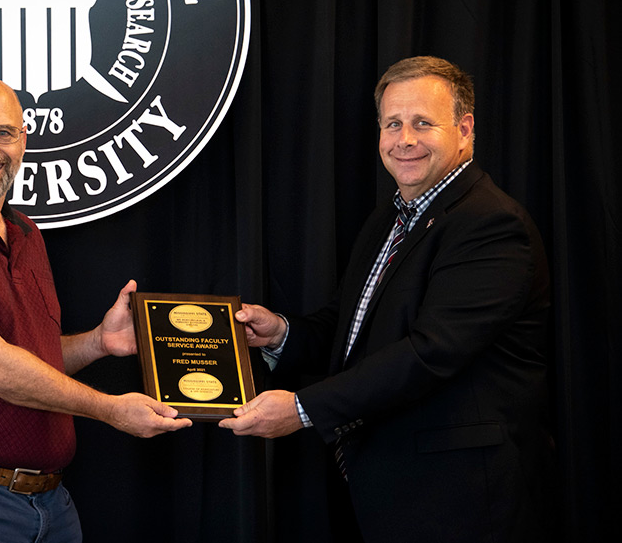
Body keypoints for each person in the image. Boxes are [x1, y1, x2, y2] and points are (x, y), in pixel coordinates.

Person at [220, 56, 554, 542]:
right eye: (392, 124)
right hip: (388, 484)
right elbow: (352, 326)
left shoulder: (491, 225)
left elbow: (429, 352)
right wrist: (282, 333)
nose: (406, 139)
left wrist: (303, 408)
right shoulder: (390, 217)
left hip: (461, 497)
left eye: (423, 123)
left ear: (465, 129)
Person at [0, 75, 191, 543]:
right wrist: (109, 410)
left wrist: (98, 342)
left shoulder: (25, 232)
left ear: (23, 140)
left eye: (4, 133)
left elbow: (29, 359)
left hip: (48, 505)